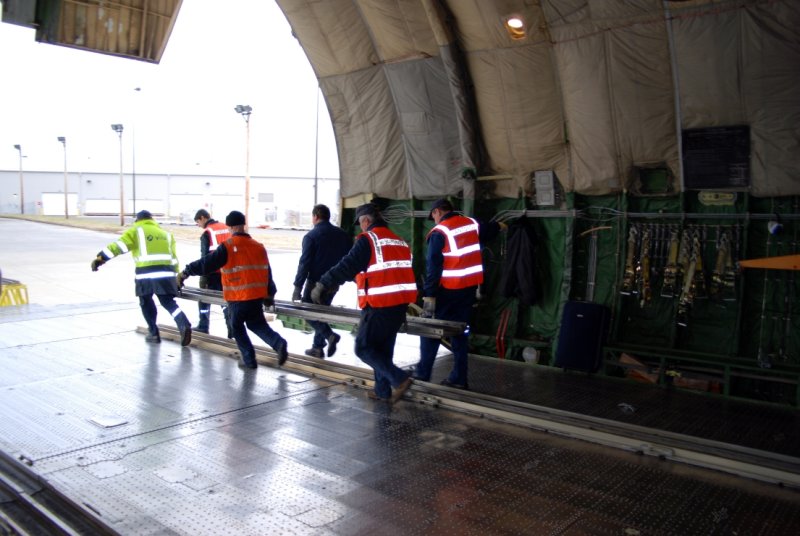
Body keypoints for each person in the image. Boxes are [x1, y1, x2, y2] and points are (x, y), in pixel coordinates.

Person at [311, 203, 416, 403]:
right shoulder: (399, 241)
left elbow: (348, 265)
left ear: (366, 220)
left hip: (379, 304)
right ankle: (382, 391)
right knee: (383, 349)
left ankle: (400, 379)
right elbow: (382, 270)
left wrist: (324, 283)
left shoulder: (369, 239)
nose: (361, 228)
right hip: (400, 305)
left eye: (360, 223)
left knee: (364, 348)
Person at [177, 210, 288, 370]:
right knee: (257, 324)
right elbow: (267, 272)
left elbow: (206, 263)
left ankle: (249, 359)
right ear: (243, 225)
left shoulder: (228, 246)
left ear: (229, 227)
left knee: (236, 326)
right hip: (256, 297)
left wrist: (186, 272)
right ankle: (278, 343)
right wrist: (270, 293)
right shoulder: (258, 246)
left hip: (238, 297)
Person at [414, 198, 505, 389]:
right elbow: (490, 229)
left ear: (437, 212)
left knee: (430, 330)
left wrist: (429, 294)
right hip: (468, 290)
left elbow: (433, 268)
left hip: (446, 292)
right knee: (460, 332)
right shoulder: (471, 224)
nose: (434, 220)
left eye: (434, 216)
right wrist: (499, 225)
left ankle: (422, 374)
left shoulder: (440, 232)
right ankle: (459, 378)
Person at [91, 209, 192, 346]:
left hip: (146, 273)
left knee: (145, 301)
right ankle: (183, 323)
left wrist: (101, 258)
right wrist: (176, 276)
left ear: (138, 220)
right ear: (151, 219)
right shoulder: (165, 234)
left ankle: (153, 332)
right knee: (168, 302)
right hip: (167, 273)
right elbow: (174, 257)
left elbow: (119, 246)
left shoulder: (136, 230)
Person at [292, 204, 352, 358]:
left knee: (306, 310)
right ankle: (317, 347)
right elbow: (349, 259)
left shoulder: (311, 236)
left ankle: (329, 335)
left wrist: (298, 286)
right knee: (322, 312)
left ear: (315, 217)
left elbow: (304, 263)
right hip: (334, 282)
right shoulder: (342, 235)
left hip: (315, 283)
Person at [193, 209, 232, 336]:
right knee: (226, 300)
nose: (198, 225)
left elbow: (205, 258)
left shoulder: (207, 232)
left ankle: (203, 326)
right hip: (228, 272)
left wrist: (203, 275)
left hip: (213, 273)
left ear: (203, 218)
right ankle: (231, 328)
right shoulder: (225, 227)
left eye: (198, 222)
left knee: (204, 299)